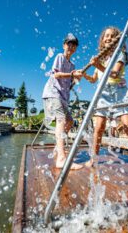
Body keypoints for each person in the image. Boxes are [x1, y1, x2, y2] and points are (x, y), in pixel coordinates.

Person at [83, 26, 128, 179]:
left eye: (113, 36)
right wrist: (84, 74)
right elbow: (94, 79)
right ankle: (94, 159)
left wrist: (97, 65)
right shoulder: (101, 58)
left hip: (119, 92)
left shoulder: (120, 53)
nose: (109, 38)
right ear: (102, 40)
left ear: (118, 39)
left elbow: (115, 73)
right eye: (106, 36)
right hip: (102, 95)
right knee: (98, 128)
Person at [42, 33, 83, 170]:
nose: (71, 47)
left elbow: (69, 84)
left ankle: (57, 147)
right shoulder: (59, 57)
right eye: (69, 44)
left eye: (74, 45)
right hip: (53, 93)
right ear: (64, 45)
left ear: (76, 48)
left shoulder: (73, 65)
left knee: (70, 121)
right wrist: (72, 75)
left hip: (63, 97)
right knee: (61, 119)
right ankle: (61, 159)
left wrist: (76, 79)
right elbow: (57, 75)